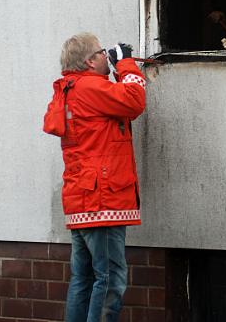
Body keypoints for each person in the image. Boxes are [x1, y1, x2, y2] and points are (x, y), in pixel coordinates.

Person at [42, 33, 147, 322]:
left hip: (82, 200)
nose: (106, 55)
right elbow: (134, 101)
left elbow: (117, 105)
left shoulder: (71, 89)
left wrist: (116, 69)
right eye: (102, 53)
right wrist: (125, 64)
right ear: (89, 62)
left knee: (83, 278)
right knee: (111, 279)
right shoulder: (91, 87)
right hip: (104, 201)